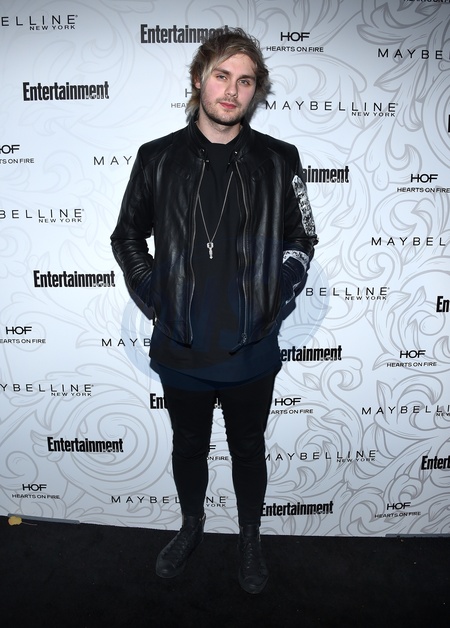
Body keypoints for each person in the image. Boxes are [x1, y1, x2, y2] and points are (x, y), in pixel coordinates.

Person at [111, 27, 317, 594]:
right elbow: (127, 236)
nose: (232, 90)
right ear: (200, 79)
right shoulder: (157, 158)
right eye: (222, 76)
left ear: (255, 91)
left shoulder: (280, 160)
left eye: (245, 81)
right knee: (187, 447)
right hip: (180, 346)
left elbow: (302, 238)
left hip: (252, 348)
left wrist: (278, 290)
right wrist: (154, 293)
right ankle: (191, 525)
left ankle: (250, 536)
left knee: (249, 449)